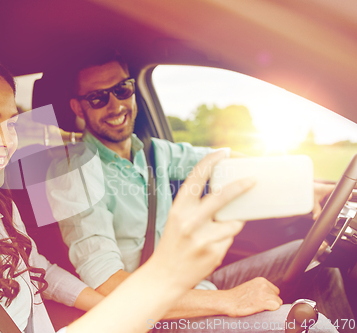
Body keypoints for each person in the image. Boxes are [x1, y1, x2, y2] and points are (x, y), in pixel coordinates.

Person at [0, 53, 265, 333]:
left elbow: (41, 272)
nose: (8, 141)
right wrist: (162, 279)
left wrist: (104, 307)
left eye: (12, 123)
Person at [46, 49, 354, 332]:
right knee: (314, 327)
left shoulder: (155, 152)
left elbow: (222, 158)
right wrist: (230, 300)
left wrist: (302, 186)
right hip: (149, 315)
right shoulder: (71, 173)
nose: (115, 105)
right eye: (98, 98)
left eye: (121, 90)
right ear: (78, 107)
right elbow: (108, 286)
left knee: (316, 259)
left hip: (192, 286)